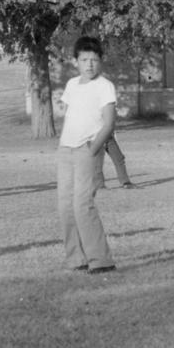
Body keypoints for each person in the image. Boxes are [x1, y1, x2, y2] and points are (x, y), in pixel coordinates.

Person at [55, 36, 118, 274]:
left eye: (94, 59)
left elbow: (109, 123)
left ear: (100, 61)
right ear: (76, 62)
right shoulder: (72, 85)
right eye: (84, 60)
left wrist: (93, 149)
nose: (89, 64)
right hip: (65, 150)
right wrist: (63, 144)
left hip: (87, 149)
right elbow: (70, 114)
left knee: (83, 204)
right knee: (65, 205)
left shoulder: (105, 86)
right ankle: (76, 258)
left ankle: (101, 259)